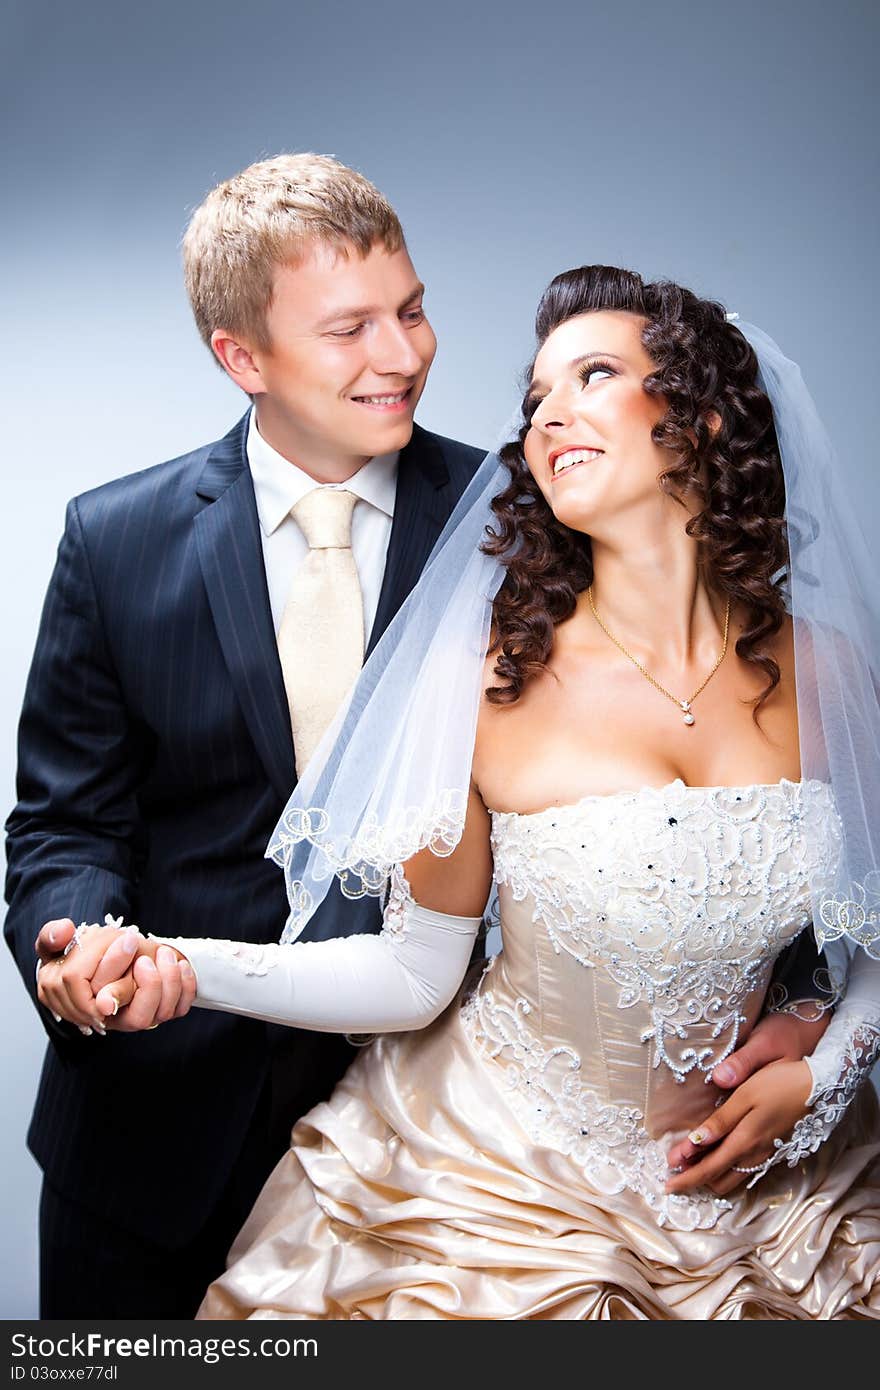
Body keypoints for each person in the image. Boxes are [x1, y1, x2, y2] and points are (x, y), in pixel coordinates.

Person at [51, 266, 880, 1319]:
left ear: (705, 419)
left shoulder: (831, 672)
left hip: (794, 1203)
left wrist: (824, 1066)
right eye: (536, 399)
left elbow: (872, 931)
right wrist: (179, 961)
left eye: (594, 374)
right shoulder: (488, 684)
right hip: (500, 1189)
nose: (550, 415)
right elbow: (410, 972)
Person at [3, 152, 490, 1318]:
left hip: (428, 1144)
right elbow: (67, 817)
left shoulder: (508, 522)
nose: (404, 355)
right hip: (152, 1136)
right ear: (242, 358)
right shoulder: (112, 539)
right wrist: (73, 949)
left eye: (412, 310)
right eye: (350, 328)